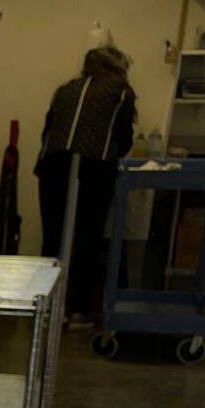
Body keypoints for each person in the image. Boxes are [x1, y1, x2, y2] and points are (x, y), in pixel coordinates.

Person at [34, 43, 137, 327]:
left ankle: (46, 310)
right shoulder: (121, 92)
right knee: (87, 242)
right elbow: (123, 140)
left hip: (53, 166)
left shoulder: (65, 90)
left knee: (53, 241)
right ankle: (78, 311)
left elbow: (48, 132)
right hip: (95, 168)